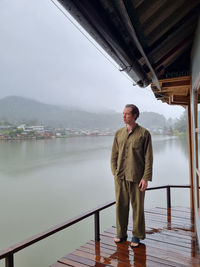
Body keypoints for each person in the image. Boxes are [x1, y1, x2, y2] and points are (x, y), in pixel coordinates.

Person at [111, 104, 153, 247]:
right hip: (121, 177)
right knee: (120, 206)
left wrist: (145, 178)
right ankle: (121, 233)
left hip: (137, 177)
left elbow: (149, 158)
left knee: (138, 207)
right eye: (123, 113)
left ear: (134, 115)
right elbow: (114, 156)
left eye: (127, 114)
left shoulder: (144, 134)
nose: (124, 116)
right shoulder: (118, 133)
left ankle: (137, 235)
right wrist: (115, 173)